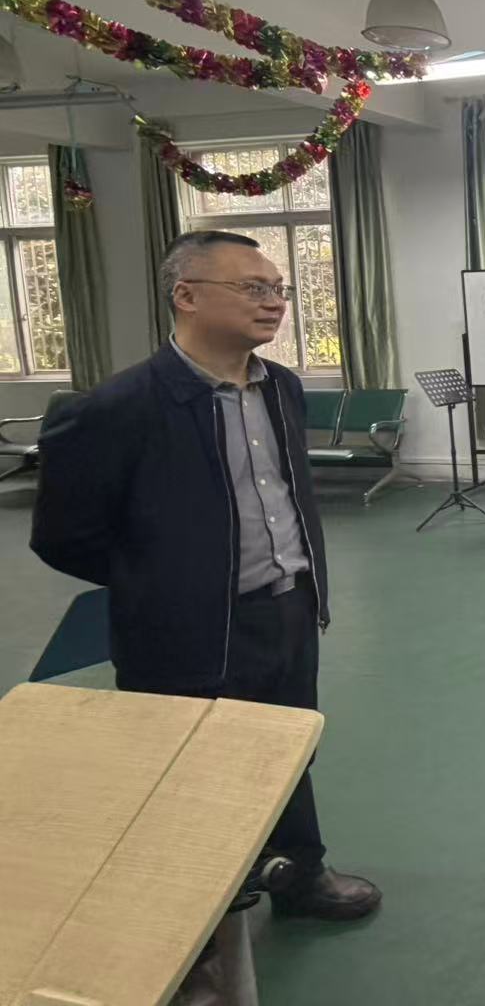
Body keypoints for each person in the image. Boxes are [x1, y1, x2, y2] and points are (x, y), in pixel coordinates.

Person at [31, 231, 381, 921]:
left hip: (287, 607)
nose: (274, 302)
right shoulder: (117, 407)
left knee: (287, 747)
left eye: (278, 289)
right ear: (186, 296)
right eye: (252, 287)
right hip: (183, 628)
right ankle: (197, 921)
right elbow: (63, 537)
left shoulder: (280, 387)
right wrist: (163, 583)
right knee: (187, 770)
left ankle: (300, 873)